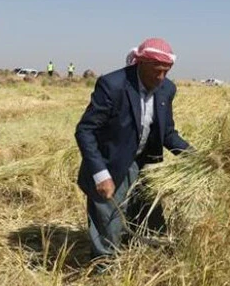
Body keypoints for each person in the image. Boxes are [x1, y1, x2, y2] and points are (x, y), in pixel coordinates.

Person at [75, 37, 190, 266]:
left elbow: (167, 133)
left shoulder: (166, 89)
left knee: (148, 217)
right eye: (156, 71)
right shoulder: (113, 85)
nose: (160, 77)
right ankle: (104, 270)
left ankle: (144, 263)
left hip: (144, 162)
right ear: (141, 63)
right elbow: (85, 131)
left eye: (165, 71)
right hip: (111, 161)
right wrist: (100, 173)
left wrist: (195, 157)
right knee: (109, 222)